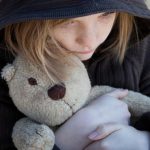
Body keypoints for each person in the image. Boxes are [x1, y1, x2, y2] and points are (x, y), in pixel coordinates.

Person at [0, 0, 150, 150]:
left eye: (107, 13)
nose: (90, 41)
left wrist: (144, 141)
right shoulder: (7, 71)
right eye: (68, 21)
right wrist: (65, 142)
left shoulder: (136, 44)